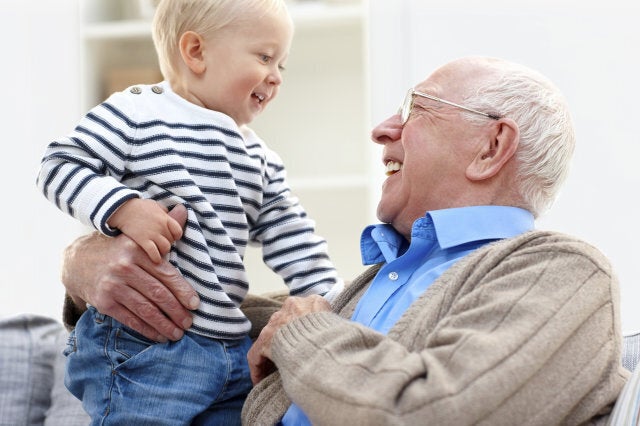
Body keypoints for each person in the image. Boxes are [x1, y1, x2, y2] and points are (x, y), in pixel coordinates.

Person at [59, 56, 629, 425]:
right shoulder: (377, 280)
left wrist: (305, 330)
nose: (382, 129)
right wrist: (88, 268)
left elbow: (443, 413)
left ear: (491, 147)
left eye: (415, 110)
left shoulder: (561, 270)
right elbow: (228, 320)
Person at [36, 0, 342, 424]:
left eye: (282, 65)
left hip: (229, 351)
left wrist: (331, 301)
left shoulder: (259, 157)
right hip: (144, 346)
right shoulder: (135, 112)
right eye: (265, 57)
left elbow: (295, 237)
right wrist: (123, 207)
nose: (276, 76)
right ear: (196, 51)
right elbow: (59, 165)